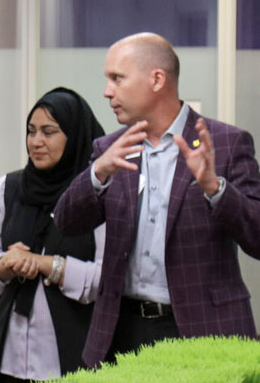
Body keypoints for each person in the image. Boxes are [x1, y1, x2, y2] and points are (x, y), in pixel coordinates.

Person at [54, 32, 260, 367]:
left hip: (203, 331)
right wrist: (97, 175)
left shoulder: (226, 143)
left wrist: (214, 187)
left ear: (157, 79)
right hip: (123, 331)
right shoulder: (110, 149)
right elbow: (66, 222)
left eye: (117, 78)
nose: (107, 92)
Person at [0, 87, 106, 383]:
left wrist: (47, 265)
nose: (36, 142)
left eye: (49, 132)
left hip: (72, 358)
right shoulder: (9, 188)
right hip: (6, 357)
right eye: (31, 131)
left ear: (73, 135)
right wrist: (5, 264)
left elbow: (109, 278)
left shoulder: (96, 194)